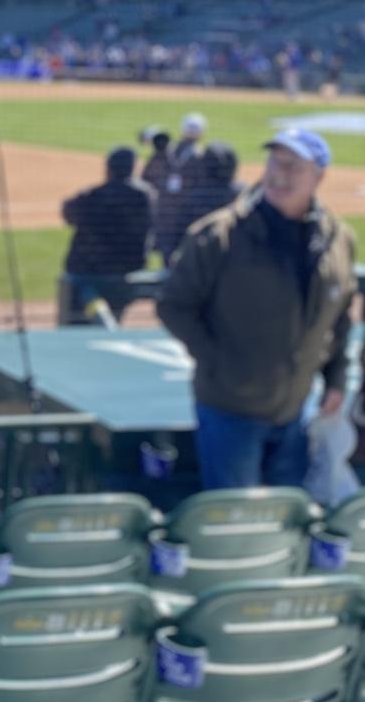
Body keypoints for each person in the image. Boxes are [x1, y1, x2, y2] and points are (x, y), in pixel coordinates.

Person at [158, 128, 355, 490]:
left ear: (318, 177)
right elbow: (175, 306)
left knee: (285, 521)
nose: (280, 173)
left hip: (296, 410)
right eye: (275, 162)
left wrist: (336, 379)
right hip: (230, 411)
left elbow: (339, 315)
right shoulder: (220, 235)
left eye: (293, 166)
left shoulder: (338, 240)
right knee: (236, 526)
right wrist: (218, 361)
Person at [59, 147, 155, 323]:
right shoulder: (145, 197)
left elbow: (67, 212)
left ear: (109, 169)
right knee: (113, 311)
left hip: (88, 276)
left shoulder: (92, 196)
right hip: (128, 273)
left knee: (81, 315)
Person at [153, 113, 207, 265]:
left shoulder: (168, 150)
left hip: (166, 212)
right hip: (186, 213)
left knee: (166, 253)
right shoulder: (201, 155)